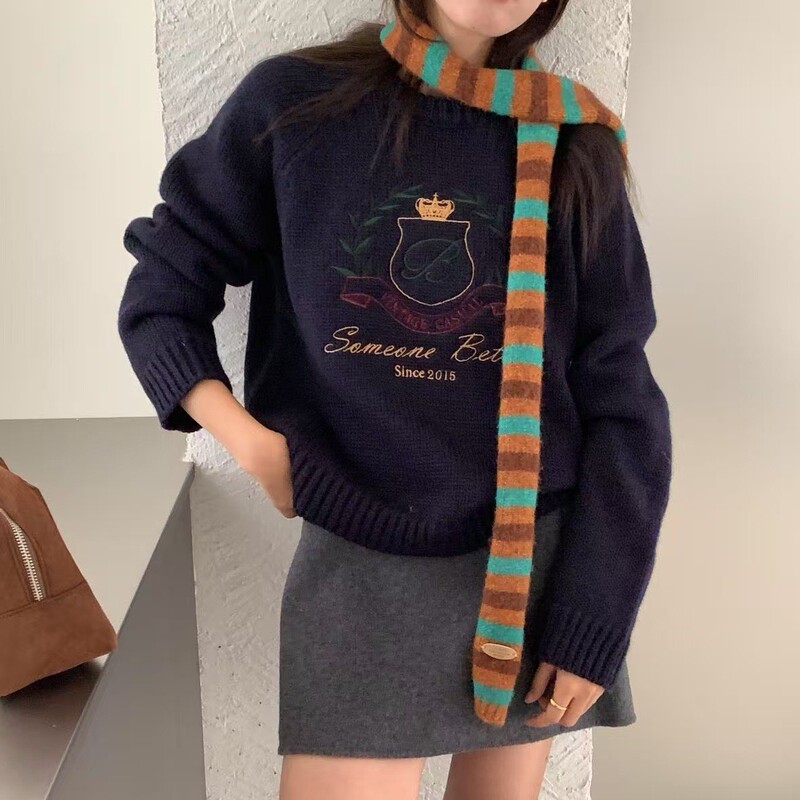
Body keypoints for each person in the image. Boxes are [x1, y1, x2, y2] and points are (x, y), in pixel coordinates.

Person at [117, 0, 672, 797]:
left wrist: (596, 612)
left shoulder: (574, 142)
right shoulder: (296, 107)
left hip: (531, 565)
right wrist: (249, 443)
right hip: (360, 555)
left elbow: (623, 402)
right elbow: (165, 285)